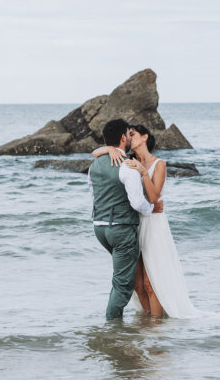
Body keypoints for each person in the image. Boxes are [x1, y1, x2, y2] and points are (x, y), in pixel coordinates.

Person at [92, 124, 198, 318]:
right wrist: (109, 149)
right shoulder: (127, 160)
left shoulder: (159, 164)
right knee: (137, 283)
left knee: (151, 282)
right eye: (128, 135)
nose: (129, 138)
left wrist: (142, 172)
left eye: (132, 134)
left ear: (144, 137)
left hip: (152, 223)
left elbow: (153, 197)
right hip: (133, 223)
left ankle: (155, 328)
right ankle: (146, 321)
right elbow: (95, 153)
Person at [88, 119, 163, 320]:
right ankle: (112, 330)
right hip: (122, 228)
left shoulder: (94, 165)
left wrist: (108, 149)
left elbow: (93, 192)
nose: (130, 138)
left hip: (99, 227)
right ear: (123, 138)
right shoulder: (127, 166)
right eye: (128, 135)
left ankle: (145, 318)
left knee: (131, 279)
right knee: (122, 285)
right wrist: (151, 207)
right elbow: (138, 203)